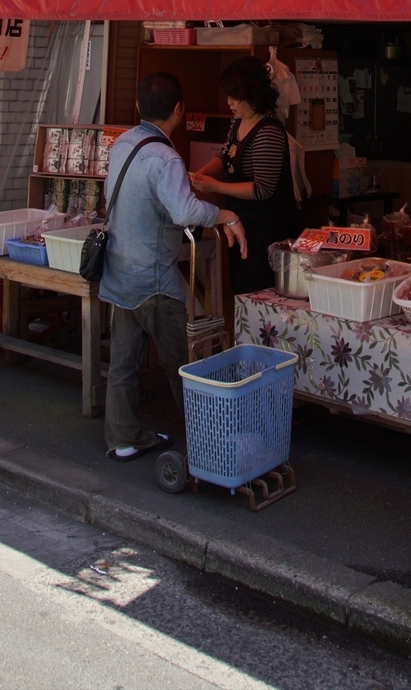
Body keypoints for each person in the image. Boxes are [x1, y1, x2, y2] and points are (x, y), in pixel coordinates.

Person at [100, 71, 247, 461]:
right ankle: (209, 446)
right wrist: (225, 214)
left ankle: (123, 439)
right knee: (180, 365)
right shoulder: (165, 157)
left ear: (137, 107)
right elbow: (184, 210)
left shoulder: (122, 144)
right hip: (153, 280)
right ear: (179, 110)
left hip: (118, 271)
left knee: (123, 364)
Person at [191, 56, 300, 294]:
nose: (229, 103)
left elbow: (262, 189)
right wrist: (198, 177)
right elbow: (224, 157)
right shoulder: (239, 120)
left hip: (267, 230)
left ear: (252, 94)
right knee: (240, 288)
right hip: (242, 221)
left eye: (234, 98)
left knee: (259, 292)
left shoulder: (268, 132)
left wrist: (216, 186)